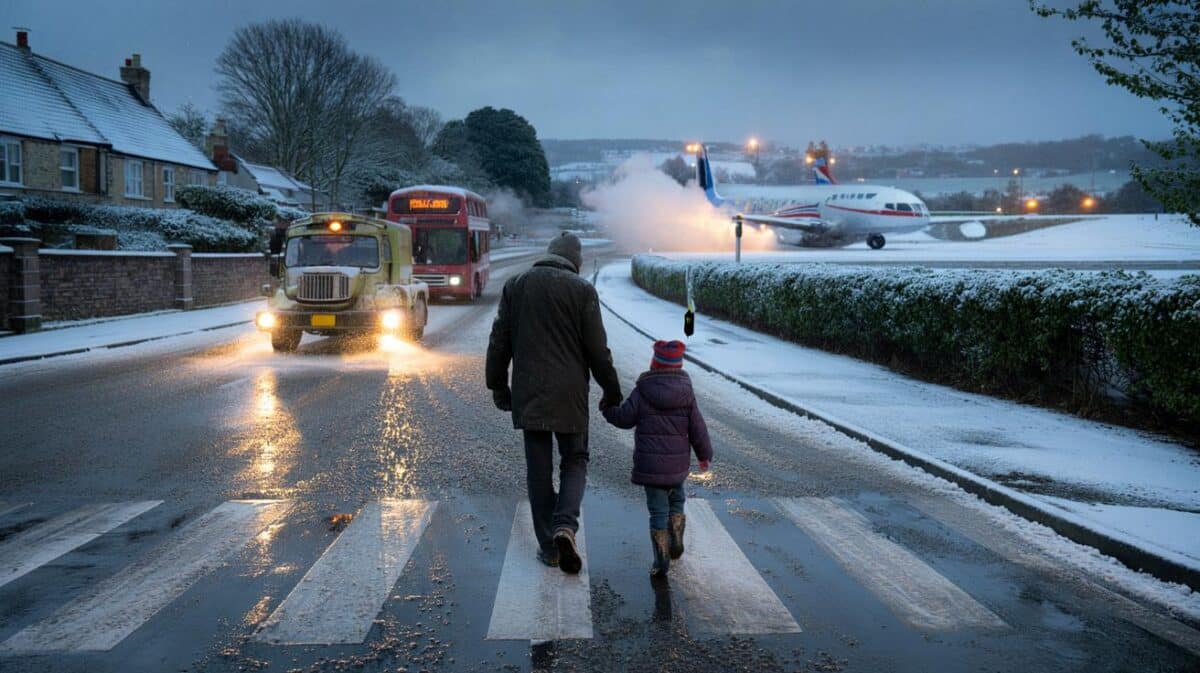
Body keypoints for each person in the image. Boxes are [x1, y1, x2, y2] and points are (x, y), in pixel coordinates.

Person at [486, 233, 622, 574]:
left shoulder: (516, 286)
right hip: (570, 395)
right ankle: (565, 525)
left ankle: (548, 547)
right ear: (575, 263)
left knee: (538, 470)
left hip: (529, 393)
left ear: (548, 254)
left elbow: (499, 341)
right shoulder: (582, 291)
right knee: (575, 460)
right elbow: (597, 351)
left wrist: (498, 386)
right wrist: (612, 390)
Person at [601, 340, 713, 577]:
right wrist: (704, 455)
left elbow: (624, 418)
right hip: (677, 466)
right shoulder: (686, 392)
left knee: (657, 512)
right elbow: (697, 428)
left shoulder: (643, 390)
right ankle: (677, 537)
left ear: (654, 363)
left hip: (650, 468)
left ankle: (661, 560)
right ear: (678, 365)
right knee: (677, 501)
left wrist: (607, 408)